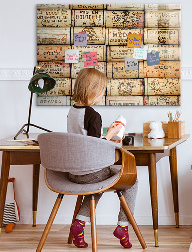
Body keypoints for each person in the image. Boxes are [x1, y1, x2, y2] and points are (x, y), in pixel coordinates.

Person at [67, 68, 137, 249]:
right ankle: (123, 226)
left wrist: (107, 136)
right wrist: (112, 134)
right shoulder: (93, 115)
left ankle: (79, 224)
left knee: (97, 183)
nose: (102, 95)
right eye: (102, 91)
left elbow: (84, 140)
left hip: (73, 172)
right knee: (132, 180)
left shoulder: (72, 111)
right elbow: (95, 147)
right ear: (94, 91)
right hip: (90, 172)